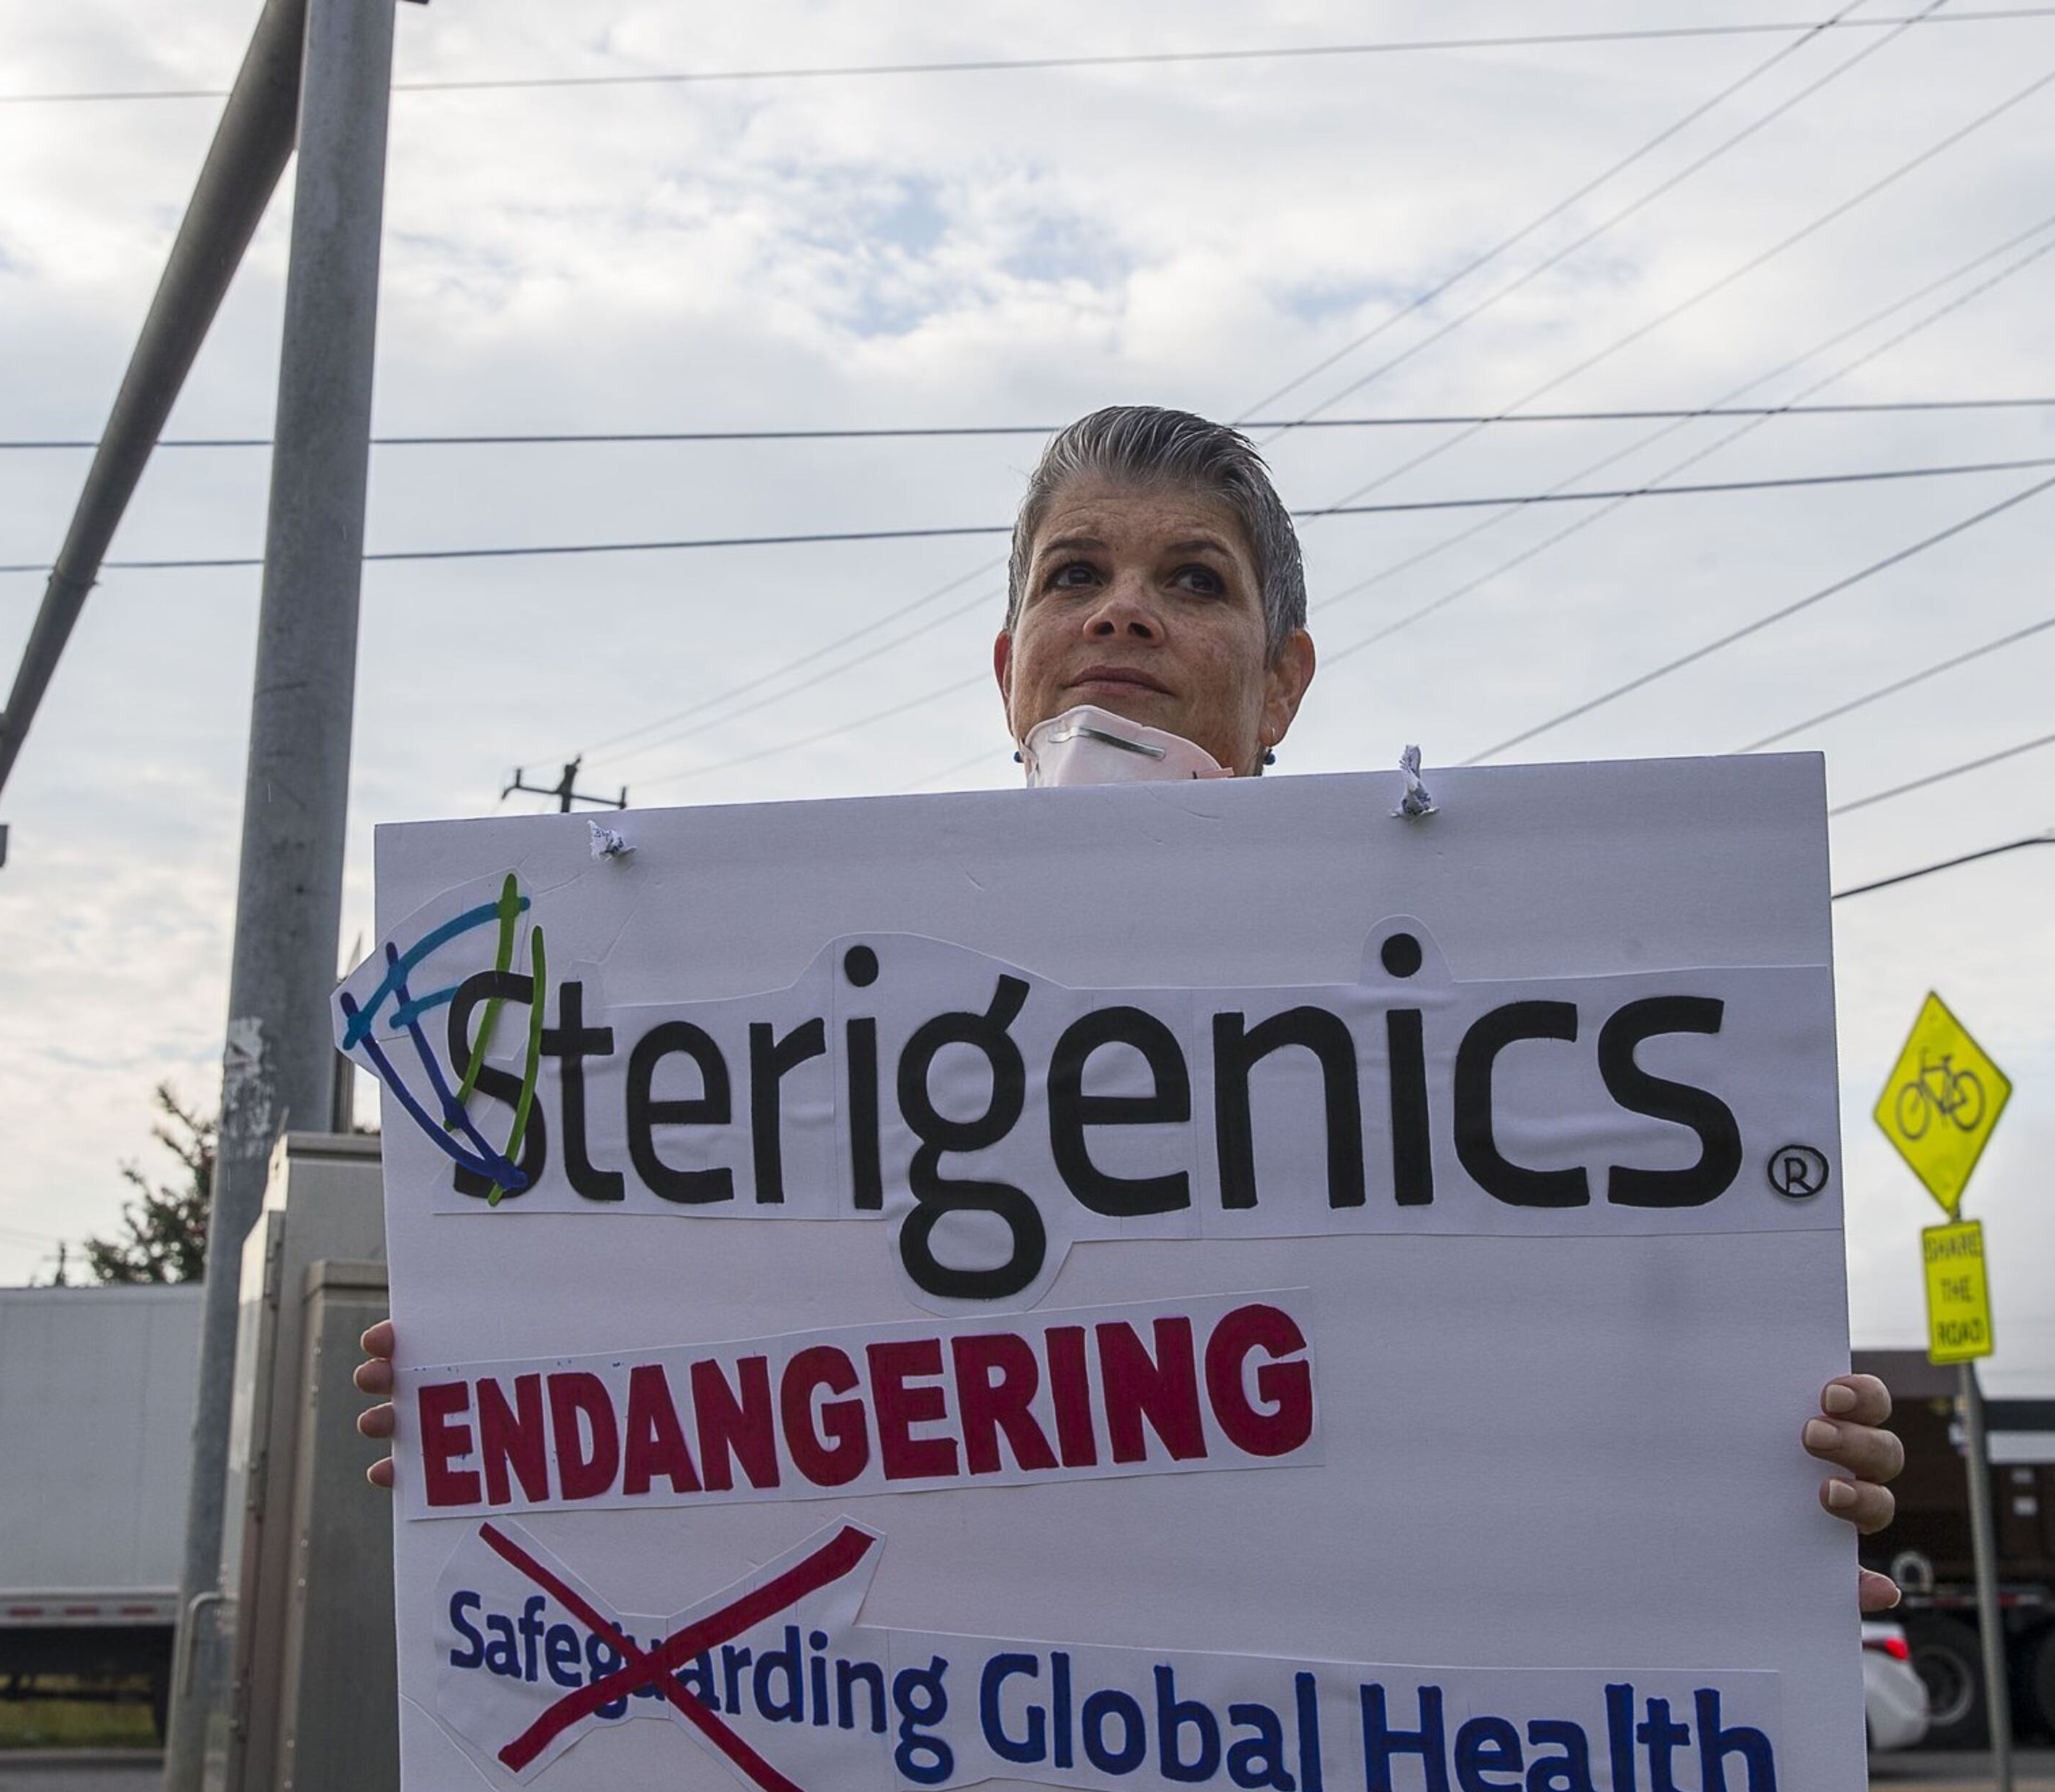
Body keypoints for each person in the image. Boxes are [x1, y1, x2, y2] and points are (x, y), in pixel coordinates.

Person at [355, 404, 1907, 1611]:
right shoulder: (781, 1014)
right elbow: (701, 1392)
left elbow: (1577, 1400)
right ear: (1008, 662)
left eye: (1192, 580)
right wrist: (495, 1393)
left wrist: (1744, 1521)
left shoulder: (1479, 998)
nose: (1121, 614)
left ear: (1284, 683)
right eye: (1074, 576)